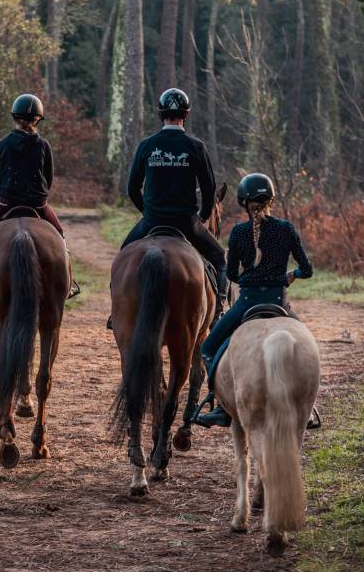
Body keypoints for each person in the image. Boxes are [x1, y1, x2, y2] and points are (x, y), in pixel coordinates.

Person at [195, 172, 313, 428]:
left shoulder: (238, 233)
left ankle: (223, 407)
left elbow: (233, 273)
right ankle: (309, 408)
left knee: (208, 348)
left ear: (243, 203)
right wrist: (289, 276)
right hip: (280, 303)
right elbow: (308, 269)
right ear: (271, 199)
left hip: (247, 302)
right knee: (307, 349)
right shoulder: (286, 229)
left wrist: (249, 275)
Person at [0, 93, 73, 305]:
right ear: (38, 119)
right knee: (60, 237)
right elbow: (49, 180)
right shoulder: (44, 146)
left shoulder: (2, 145)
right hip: (38, 205)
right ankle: (69, 284)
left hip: (5, 203)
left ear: (14, 117)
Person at [121, 87, 228, 310]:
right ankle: (218, 309)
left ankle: (118, 309)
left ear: (161, 114)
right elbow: (209, 190)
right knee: (219, 257)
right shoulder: (196, 147)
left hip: (152, 221)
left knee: (123, 256)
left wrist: (149, 212)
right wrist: (203, 216)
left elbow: (132, 189)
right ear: (186, 115)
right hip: (186, 223)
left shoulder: (146, 145)